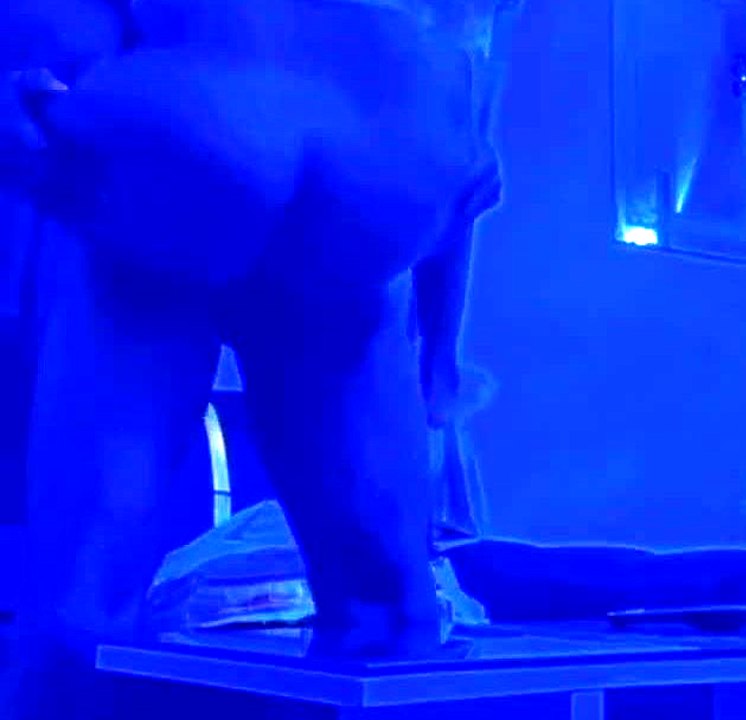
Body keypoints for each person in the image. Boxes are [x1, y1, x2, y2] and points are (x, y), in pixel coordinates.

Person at [0, 0, 513, 717]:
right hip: (380, 163)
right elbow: (467, 149)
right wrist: (441, 365)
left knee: (81, 617)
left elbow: (60, 42)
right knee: (388, 619)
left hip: (213, 137)